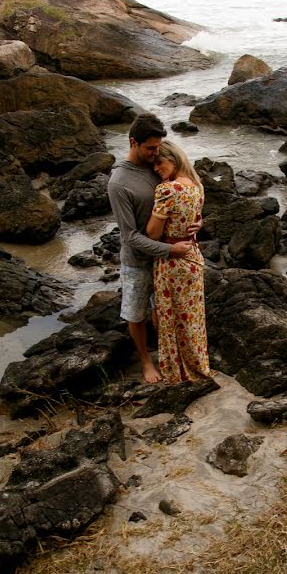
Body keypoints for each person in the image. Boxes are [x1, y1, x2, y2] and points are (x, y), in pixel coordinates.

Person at [107, 113, 198, 383]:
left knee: (163, 308)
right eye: (149, 148)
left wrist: (198, 221)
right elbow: (130, 236)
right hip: (138, 259)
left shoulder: (156, 165)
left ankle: (167, 354)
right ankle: (146, 362)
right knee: (136, 313)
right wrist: (170, 250)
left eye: (157, 149)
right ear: (133, 142)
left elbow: (184, 195)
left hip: (167, 259)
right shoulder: (119, 183)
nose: (155, 155)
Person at [145, 139, 211, 383]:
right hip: (193, 254)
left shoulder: (167, 190)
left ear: (172, 160)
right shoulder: (196, 186)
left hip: (172, 258)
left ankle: (179, 372)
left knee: (171, 317)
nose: (156, 168)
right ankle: (198, 365)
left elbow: (153, 233)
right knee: (192, 318)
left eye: (159, 162)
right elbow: (195, 219)